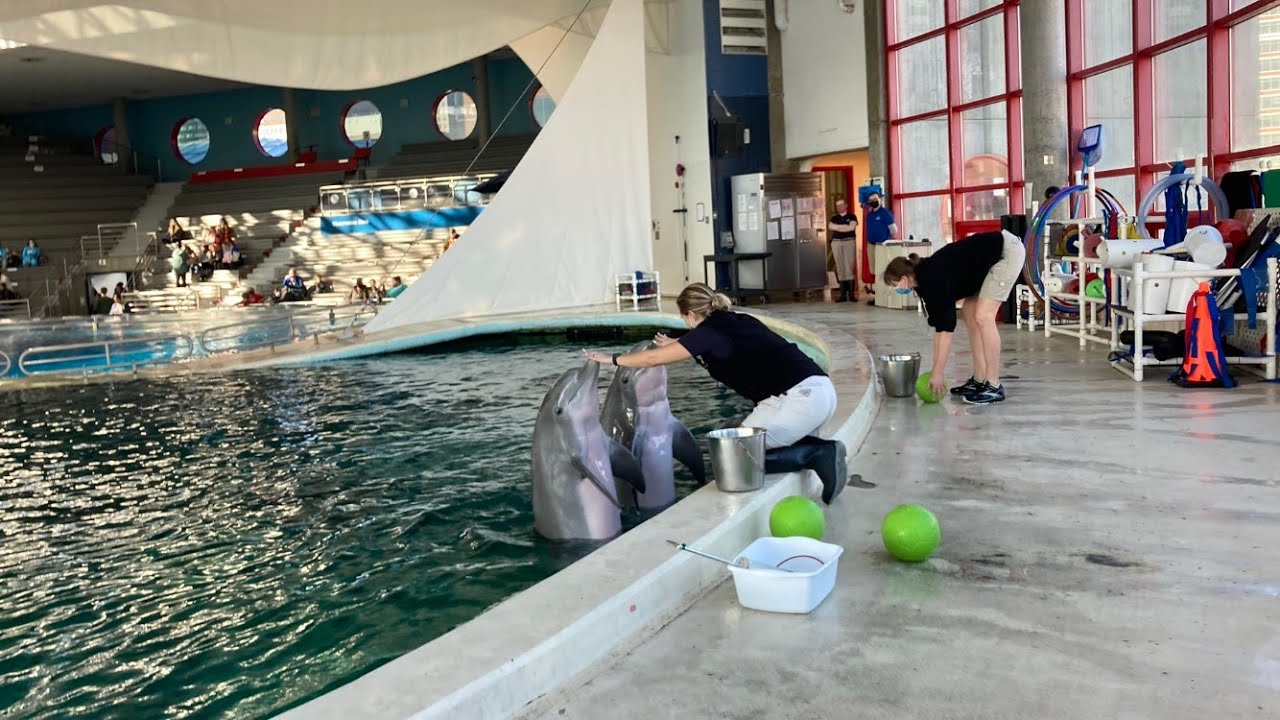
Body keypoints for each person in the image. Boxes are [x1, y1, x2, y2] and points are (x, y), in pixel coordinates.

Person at [582, 283, 849, 505]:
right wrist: (679, 343)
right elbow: (721, 346)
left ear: (689, 315)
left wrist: (613, 359)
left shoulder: (708, 333)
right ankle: (811, 446)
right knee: (734, 437)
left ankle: (817, 453)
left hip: (801, 400)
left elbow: (653, 359)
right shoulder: (733, 321)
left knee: (736, 460)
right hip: (815, 390)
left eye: (684, 320)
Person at [883, 229, 1026, 405]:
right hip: (986, 260)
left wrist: (938, 372)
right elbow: (939, 328)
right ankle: (980, 379)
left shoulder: (931, 279)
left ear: (904, 279)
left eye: (895, 285)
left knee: (983, 316)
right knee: (970, 312)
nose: (896, 289)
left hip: (1006, 252)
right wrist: (937, 369)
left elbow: (946, 330)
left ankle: (994, 385)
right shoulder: (924, 279)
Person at [860, 192, 898, 303]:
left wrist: (888, 239)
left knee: (882, 270)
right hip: (871, 245)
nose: (874, 202)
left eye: (875, 199)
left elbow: (894, 230)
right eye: (871, 200)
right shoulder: (870, 215)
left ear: (880, 199)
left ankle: (884, 296)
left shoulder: (885, 213)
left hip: (882, 245)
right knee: (875, 271)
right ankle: (878, 296)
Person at [828, 199, 859, 303]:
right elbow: (831, 226)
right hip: (836, 243)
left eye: (841, 205)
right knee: (840, 267)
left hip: (848, 242)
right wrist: (843, 226)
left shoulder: (852, 216)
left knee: (848, 267)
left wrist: (838, 228)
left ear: (846, 205)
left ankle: (851, 295)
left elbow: (851, 228)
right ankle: (842, 295)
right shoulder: (834, 218)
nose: (839, 208)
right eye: (837, 206)